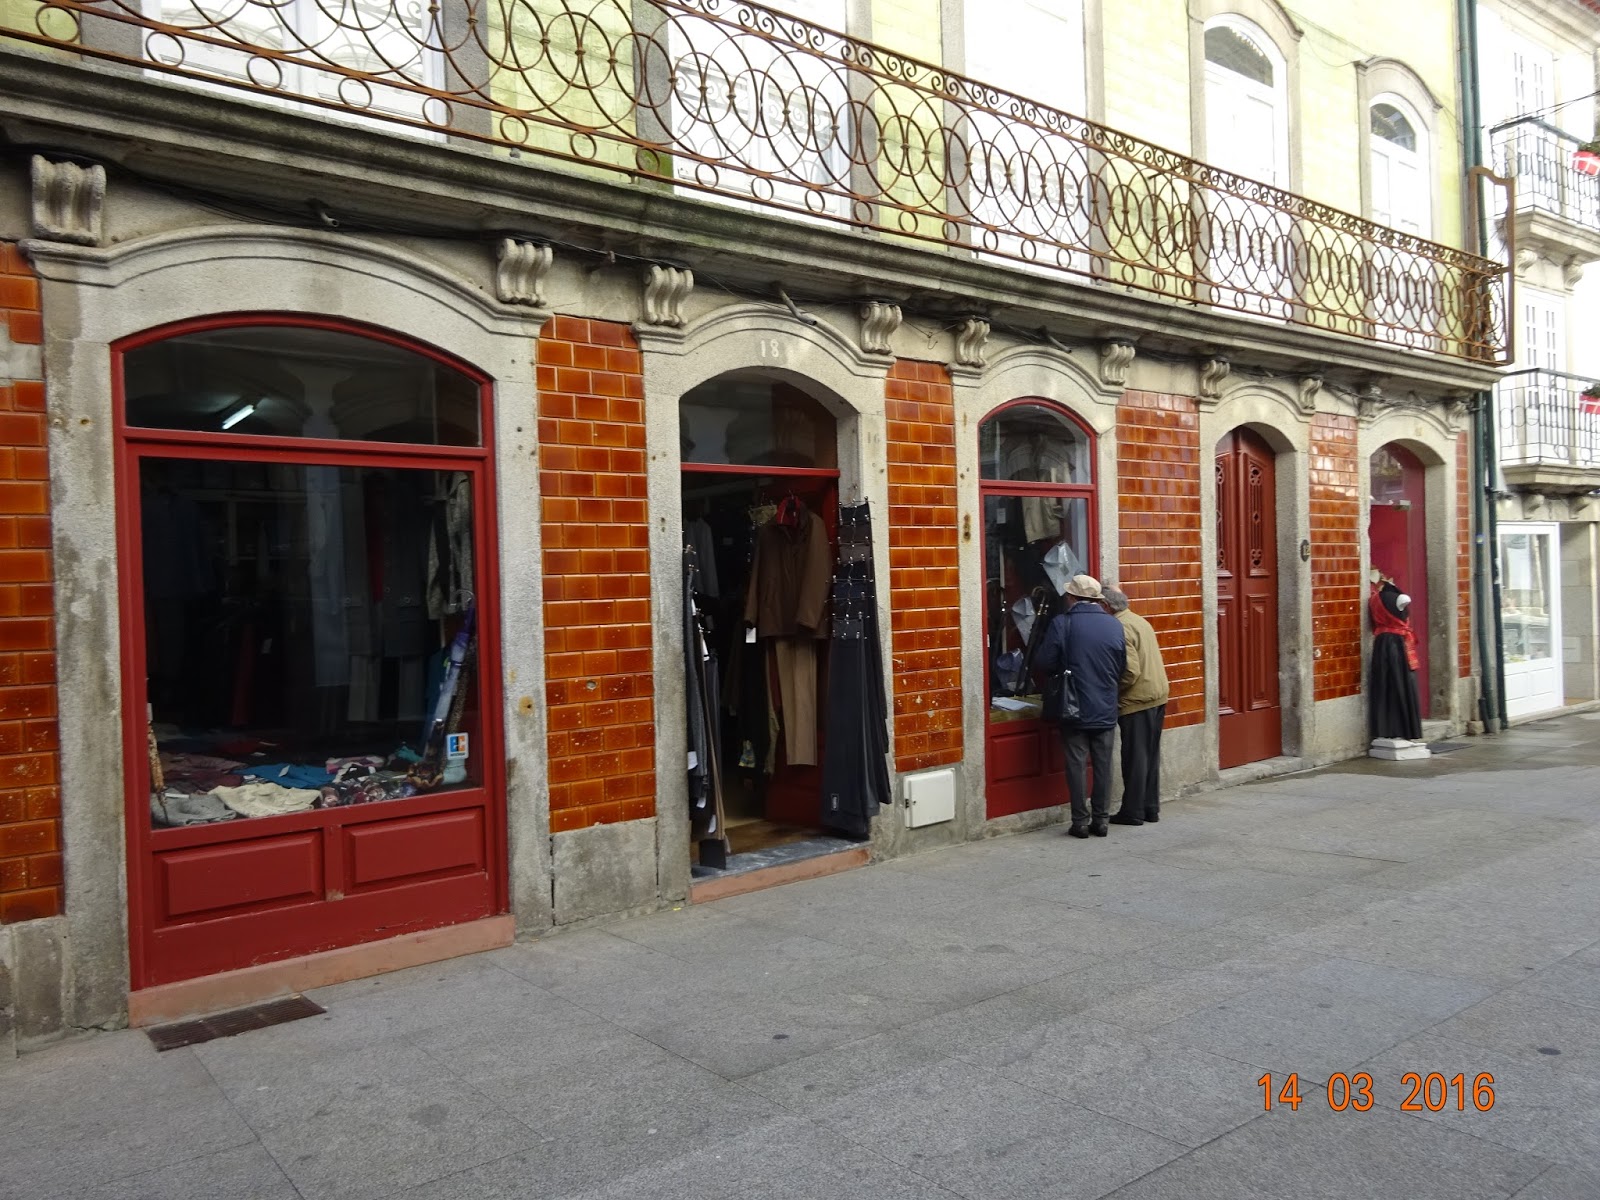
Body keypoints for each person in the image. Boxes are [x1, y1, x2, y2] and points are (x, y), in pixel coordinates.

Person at [1036, 574, 1125, 838]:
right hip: (1106, 704)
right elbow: (1122, 666)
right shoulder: (1114, 624)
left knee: (1076, 764)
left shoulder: (1062, 623)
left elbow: (1044, 662)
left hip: (1073, 706)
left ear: (1072, 597)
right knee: (1103, 764)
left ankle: (1080, 822)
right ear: (1096, 599)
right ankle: (1102, 819)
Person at [1103, 585, 1169, 826]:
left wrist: (1110, 691)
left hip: (1137, 699)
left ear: (1106, 606)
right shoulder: (1138, 620)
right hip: (1156, 693)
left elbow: (1130, 671)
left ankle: (1132, 811)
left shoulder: (1119, 626)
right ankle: (1150, 808)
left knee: (1135, 758)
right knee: (1149, 755)